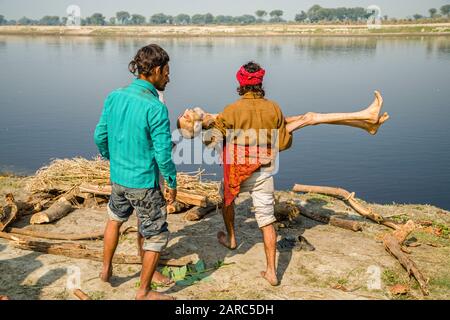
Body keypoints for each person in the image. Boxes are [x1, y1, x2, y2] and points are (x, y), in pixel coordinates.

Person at [177, 61, 388, 286]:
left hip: (236, 174)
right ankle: (271, 272)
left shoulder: (230, 111)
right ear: (260, 83)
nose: (188, 113)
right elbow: (283, 143)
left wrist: (205, 129)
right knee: (267, 221)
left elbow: (212, 142)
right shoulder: (273, 108)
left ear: (240, 83)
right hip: (263, 175)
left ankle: (231, 238)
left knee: (227, 202)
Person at [94, 44, 177, 300]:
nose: (168, 77)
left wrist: (113, 158)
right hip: (143, 183)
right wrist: (171, 182)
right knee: (156, 234)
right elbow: (163, 154)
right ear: (155, 70)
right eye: (166, 71)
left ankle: (106, 270)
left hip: (118, 179)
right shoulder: (156, 107)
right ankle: (144, 292)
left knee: (115, 220)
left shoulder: (114, 96)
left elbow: (100, 136)